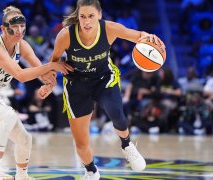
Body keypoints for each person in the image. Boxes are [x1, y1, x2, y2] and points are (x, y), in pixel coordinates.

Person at [38, 0, 166, 179]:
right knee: (81, 143)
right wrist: (49, 83)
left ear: (99, 15)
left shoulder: (110, 29)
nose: (87, 21)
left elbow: (137, 35)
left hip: (104, 78)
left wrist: (150, 37)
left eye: (91, 16)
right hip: (76, 84)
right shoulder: (65, 35)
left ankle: (127, 145)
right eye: (82, 16)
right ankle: (91, 171)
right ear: (78, 16)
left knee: (116, 112)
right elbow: (53, 62)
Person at [0, 6, 72, 180]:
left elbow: (40, 71)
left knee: (25, 139)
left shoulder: (22, 45)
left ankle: (22, 175)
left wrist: (48, 82)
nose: (19, 31)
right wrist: (51, 66)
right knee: (9, 116)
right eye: (14, 27)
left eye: (21, 27)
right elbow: (21, 75)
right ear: (3, 28)